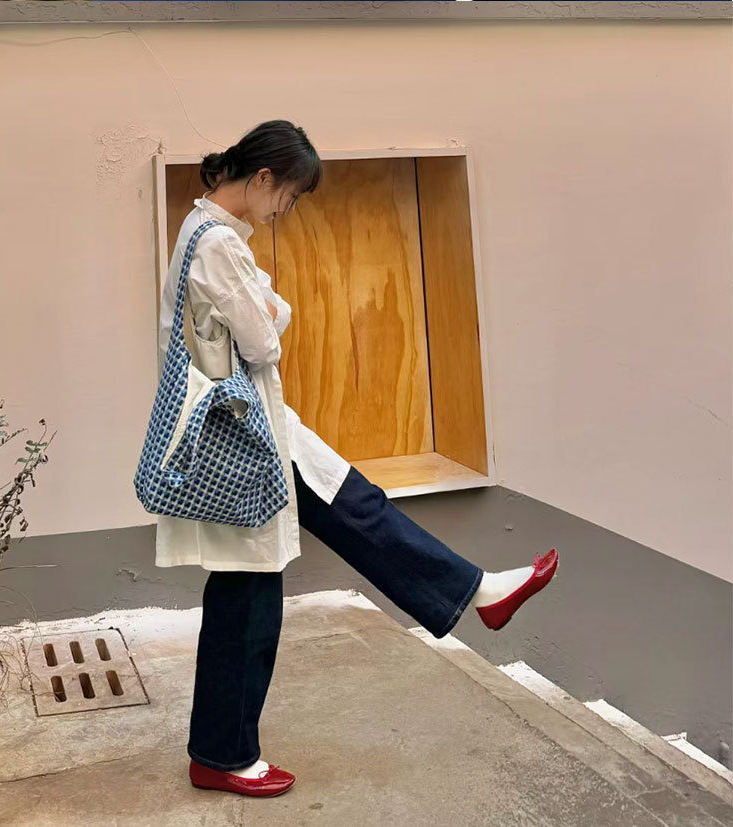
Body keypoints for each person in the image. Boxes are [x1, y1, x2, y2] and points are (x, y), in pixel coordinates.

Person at [154, 120, 559, 798]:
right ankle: (222, 755)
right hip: (239, 438)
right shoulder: (219, 243)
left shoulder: (207, 232)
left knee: (346, 503)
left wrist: (266, 310)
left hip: (253, 429)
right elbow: (264, 340)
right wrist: (268, 310)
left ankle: (476, 590)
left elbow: (262, 320)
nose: (286, 210)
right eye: (288, 196)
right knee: (250, 591)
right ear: (262, 178)